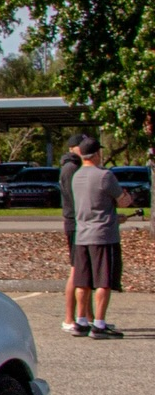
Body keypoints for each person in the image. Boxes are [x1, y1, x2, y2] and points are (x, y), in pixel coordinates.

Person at [71, 135, 134, 338]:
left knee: (83, 281)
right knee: (103, 281)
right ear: (97, 154)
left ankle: (80, 320)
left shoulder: (76, 176)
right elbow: (122, 200)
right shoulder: (105, 176)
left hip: (82, 234)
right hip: (103, 235)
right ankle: (99, 323)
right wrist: (127, 198)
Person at [59, 134, 86, 335]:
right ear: (72, 148)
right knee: (76, 270)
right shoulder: (70, 169)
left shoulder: (75, 167)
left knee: (84, 271)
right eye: (81, 146)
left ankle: (87, 317)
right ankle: (69, 318)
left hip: (80, 222)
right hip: (75, 223)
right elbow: (74, 198)